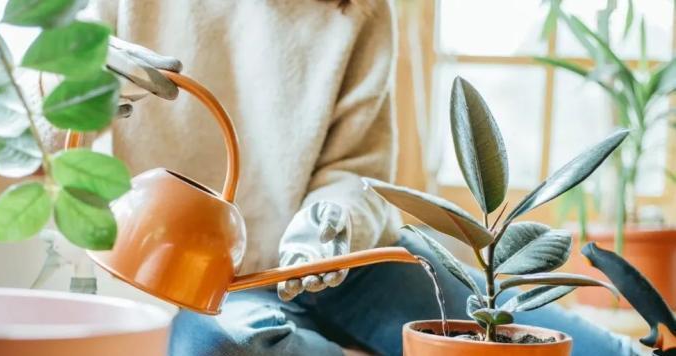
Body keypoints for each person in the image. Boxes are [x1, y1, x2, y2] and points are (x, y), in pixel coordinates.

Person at [75, 1, 638, 355]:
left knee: (528, 330)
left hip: (342, 265)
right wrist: (83, 83)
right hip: (210, 283)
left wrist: (332, 222)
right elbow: (39, 129)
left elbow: (358, 170)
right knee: (218, 347)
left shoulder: (360, 11)